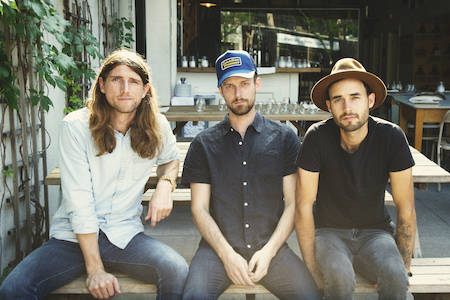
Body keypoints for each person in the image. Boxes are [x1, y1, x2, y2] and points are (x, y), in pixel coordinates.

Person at [0, 49, 188, 300]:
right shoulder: (75, 126)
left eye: (133, 81)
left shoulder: (157, 125)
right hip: (72, 239)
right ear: (101, 85)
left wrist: (165, 184)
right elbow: (80, 202)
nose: (125, 88)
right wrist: (95, 269)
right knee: (13, 290)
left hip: (124, 235)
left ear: (145, 90)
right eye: (116, 79)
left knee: (176, 269)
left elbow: (170, 159)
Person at [181, 50, 322, 300]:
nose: (238, 93)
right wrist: (227, 255)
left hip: (272, 249)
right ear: (221, 90)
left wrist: (268, 252)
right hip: (217, 251)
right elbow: (199, 208)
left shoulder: (284, 138)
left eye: (244, 84)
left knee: (310, 296)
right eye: (230, 86)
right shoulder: (203, 144)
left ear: (257, 84)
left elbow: (292, 204)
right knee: (193, 296)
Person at [295, 57, 417, 300]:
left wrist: (403, 265)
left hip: (376, 233)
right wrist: (310, 268)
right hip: (329, 233)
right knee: (340, 278)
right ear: (329, 106)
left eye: (355, 97)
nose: (347, 107)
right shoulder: (316, 138)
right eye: (338, 99)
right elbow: (302, 207)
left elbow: (406, 206)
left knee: (395, 277)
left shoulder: (391, 136)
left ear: (370, 101)